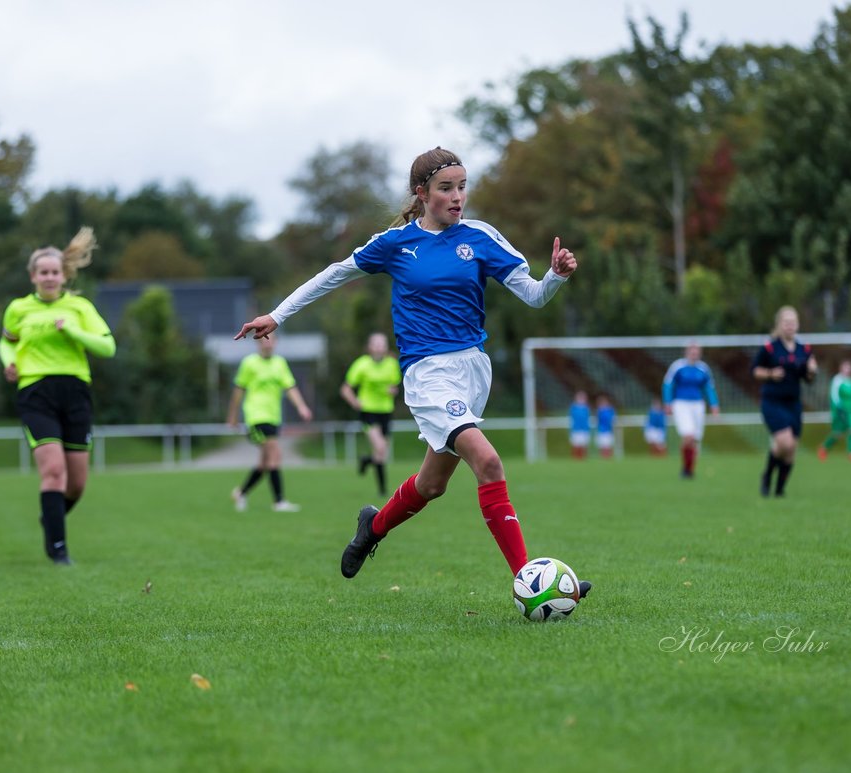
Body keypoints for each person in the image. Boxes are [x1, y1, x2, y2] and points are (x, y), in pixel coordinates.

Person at [234, 146, 590, 599]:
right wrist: (277, 315)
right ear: (422, 194)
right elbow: (332, 275)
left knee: (432, 484)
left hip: (473, 372)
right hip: (427, 374)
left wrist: (555, 275)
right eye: (446, 188)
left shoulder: (481, 237)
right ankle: (530, 581)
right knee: (489, 462)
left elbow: (535, 296)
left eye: (462, 186)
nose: (458, 196)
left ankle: (372, 527)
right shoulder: (396, 243)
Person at [0, 227, 116, 566]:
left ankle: (51, 518)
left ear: (63, 275)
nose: (50, 277)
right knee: (53, 472)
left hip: (75, 391)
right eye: (43, 272)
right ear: (33, 276)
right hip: (35, 392)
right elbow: (7, 342)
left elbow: (107, 347)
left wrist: (73, 331)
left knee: (76, 484)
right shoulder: (18, 309)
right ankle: (58, 549)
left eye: (55, 272)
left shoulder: (80, 308)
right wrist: (10, 363)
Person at [227, 335, 313, 512]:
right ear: (258, 342)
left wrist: (302, 407)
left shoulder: (280, 363)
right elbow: (238, 390)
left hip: (274, 418)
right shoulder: (249, 363)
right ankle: (279, 501)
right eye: (264, 339)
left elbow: (290, 388)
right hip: (255, 417)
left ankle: (241, 492)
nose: (267, 342)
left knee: (265, 463)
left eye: (271, 339)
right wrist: (233, 416)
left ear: (275, 342)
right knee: (275, 454)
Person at [752, 306, 817, 497]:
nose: (790, 326)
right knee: (785, 442)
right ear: (779, 325)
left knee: (789, 450)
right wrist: (771, 373)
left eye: (793, 322)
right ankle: (766, 477)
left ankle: (779, 490)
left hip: (793, 403)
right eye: (786, 322)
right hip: (772, 402)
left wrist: (812, 371)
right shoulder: (769, 348)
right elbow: (755, 371)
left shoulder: (804, 349)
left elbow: (809, 379)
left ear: (797, 325)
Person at [340, 332, 402, 496]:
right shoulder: (361, 365)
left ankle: (366, 461)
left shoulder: (392, 364)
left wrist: (393, 390)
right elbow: (345, 389)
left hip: (386, 411)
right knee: (380, 447)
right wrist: (355, 402)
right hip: (368, 411)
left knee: (381, 453)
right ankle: (383, 490)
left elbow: (395, 385)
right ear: (369, 347)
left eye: (382, 344)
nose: (379, 347)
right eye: (376, 344)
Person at [662, 342, 720, 479]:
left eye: (697, 351)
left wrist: (714, 405)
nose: (694, 353)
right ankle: (686, 469)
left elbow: (709, 388)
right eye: (692, 351)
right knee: (688, 435)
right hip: (681, 404)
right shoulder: (678, 366)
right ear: (686, 352)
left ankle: (689, 470)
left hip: (697, 405)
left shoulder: (703, 368)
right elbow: (668, 384)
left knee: (694, 439)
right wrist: (667, 402)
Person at [819, 359, 851, 462]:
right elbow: (834, 395)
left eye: (849, 367)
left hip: (850, 411)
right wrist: (838, 408)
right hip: (840, 411)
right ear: (841, 368)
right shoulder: (837, 380)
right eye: (846, 367)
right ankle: (824, 448)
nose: (848, 370)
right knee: (837, 434)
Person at [568, 390, 591, 460]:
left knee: (584, 445)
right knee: (576, 445)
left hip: (584, 429)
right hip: (576, 429)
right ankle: (576, 459)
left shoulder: (586, 408)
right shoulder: (573, 408)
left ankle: (583, 459)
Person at [595, 393, 617, 459]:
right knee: (602, 445)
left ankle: (608, 457)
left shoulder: (611, 410)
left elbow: (613, 420)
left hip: (609, 430)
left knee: (608, 445)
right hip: (601, 430)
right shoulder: (599, 411)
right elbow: (598, 420)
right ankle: (603, 457)